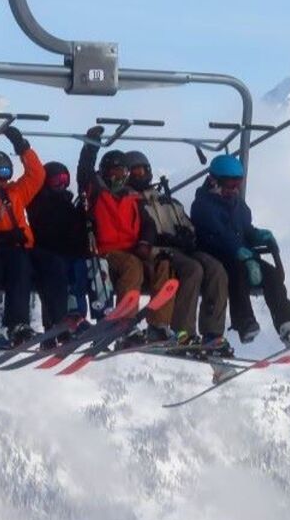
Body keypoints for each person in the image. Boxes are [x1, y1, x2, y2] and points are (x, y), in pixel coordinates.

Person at [0, 126, 67, 345]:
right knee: (19, 265)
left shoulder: (15, 192)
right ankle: (17, 323)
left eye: (8, 173)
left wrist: (22, 147)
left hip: (22, 248)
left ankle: (60, 321)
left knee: (53, 264)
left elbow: (37, 174)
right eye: (2, 173)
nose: (6, 178)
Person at [191, 153, 290, 345]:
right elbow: (219, 234)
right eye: (230, 185)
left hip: (242, 255)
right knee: (237, 274)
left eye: (238, 184)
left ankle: (288, 325)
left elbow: (244, 229)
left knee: (271, 274)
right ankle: (244, 323)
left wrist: (258, 235)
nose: (235, 189)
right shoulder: (203, 205)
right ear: (214, 181)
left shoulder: (237, 204)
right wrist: (240, 252)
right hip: (217, 255)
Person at [124, 150, 228, 357]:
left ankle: (212, 333)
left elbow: (187, 223)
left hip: (183, 248)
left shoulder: (167, 200)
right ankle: (183, 331)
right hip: (159, 250)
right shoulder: (130, 201)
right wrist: (162, 240)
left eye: (143, 170)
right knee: (193, 269)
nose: (140, 174)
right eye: (135, 171)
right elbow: (137, 231)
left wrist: (187, 235)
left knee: (216, 269)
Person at [77, 130, 169, 342]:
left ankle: (159, 324)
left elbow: (148, 224)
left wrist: (146, 243)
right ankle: (123, 324)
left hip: (134, 248)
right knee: (132, 265)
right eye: (114, 172)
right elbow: (84, 172)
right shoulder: (97, 192)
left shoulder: (133, 196)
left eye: (122, 172)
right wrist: (91, 146)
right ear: (106, 172)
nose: (119, 177)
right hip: (107, 251)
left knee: (164, 264)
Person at [26, 160, 94, 324]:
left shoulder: (68, 203)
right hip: (48, 253)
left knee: (79, 269)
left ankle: (77, 314)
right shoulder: (38, 202)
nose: (61, 184)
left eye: (65, 180)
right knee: (57, 272)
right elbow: (47, 230)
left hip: (69, 253)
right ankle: (58, 319)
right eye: (56, 180)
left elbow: (75, 231)